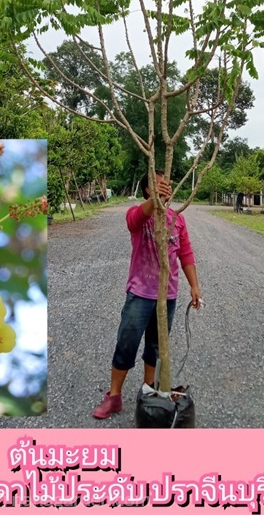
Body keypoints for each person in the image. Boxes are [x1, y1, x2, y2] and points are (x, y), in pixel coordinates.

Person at [92, 169, 202, 419]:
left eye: (167, 184)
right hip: (140, 294)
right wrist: (155, 201)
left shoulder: (177, 219)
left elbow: (185, 254)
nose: (166, 188)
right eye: (159, 184)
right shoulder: (138, 215)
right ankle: (114, 396)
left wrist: (194, 286)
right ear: (147, 189)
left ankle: (149, 390)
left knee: (156, 345)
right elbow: (134, 221)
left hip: (168, 295)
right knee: (126, 344)